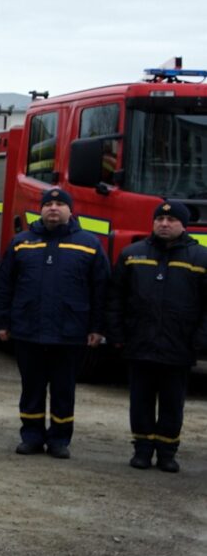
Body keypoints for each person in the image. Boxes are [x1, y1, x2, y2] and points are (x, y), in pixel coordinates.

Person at [0, 188, 110, 458]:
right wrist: (2, 321)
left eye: (60, 204)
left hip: (70, 332)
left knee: (63, 389)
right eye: (48, 204)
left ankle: (59, 440)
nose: (53, 208)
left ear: (71, 211)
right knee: (31, 387)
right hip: (28, 330)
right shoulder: (21, 242)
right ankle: (31, 436)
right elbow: (4, 285)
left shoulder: (88, 244)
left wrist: (97, 327)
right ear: (41, 210)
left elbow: (101, 290)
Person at [106, 200, 207, 472]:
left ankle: (166, 452)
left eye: (171, 220)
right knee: (140, 401)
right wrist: (116, 332)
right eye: (160, 220)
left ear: (184, 225)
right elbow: (116, 297)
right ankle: (142, 450)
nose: (164, 224)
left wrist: (201, 339)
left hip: (179, 345)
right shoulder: (132, 254)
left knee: (173, 403)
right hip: (140, 343)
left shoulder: (201, 258)